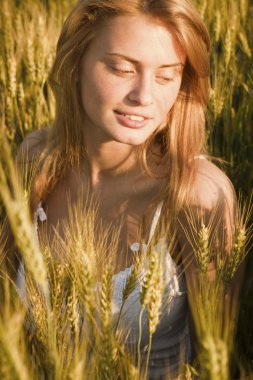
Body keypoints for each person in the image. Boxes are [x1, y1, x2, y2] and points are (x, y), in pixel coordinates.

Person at [12, 0, 236, 378]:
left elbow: (219, 362)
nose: (144, 96)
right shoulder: (34, 160)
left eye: (166, 76)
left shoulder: (199, 197)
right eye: (121, 68)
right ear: (75, 63)